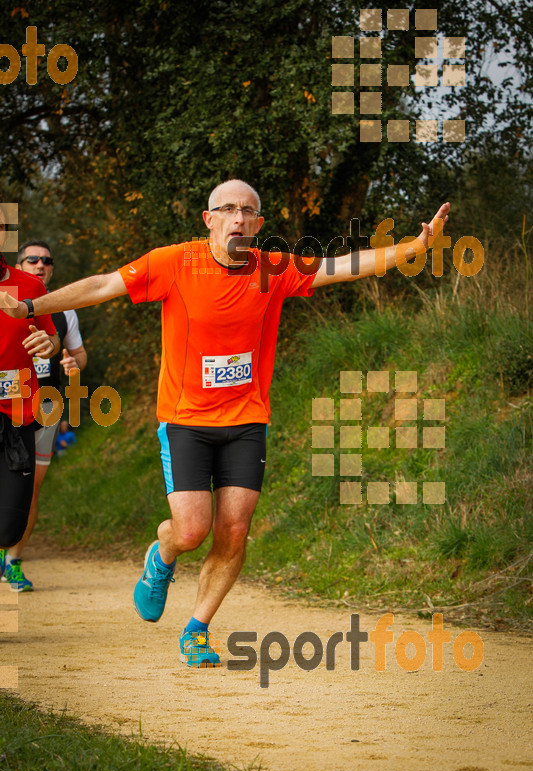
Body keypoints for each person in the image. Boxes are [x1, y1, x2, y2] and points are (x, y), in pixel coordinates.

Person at [0, 180, 449, 666]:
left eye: (248, 211)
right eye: (228, 209)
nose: (239, 217)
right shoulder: (175, 262)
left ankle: (197, 629)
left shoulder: (272, 269)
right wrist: (30, 306)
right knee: (191, 531)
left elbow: (342, 267)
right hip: (185, 420)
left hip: (247, 420)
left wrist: (414, 247)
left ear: (257, 224)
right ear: (208, 219)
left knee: (234, 530)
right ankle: (162, 556)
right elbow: (103, 285)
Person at [0, 241, 87, 592]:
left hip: (37, 406)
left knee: (27, 493)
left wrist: (58, 353)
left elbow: (69, 351)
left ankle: (13, 558)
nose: (40, 265)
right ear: (22, 260)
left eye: (46, 260)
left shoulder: (56, 305)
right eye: (33, 259)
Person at [0, 251, 59, 559]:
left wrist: (50, 345)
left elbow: (52, 338)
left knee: (9, 529)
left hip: (16, 414)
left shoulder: (30, 287)